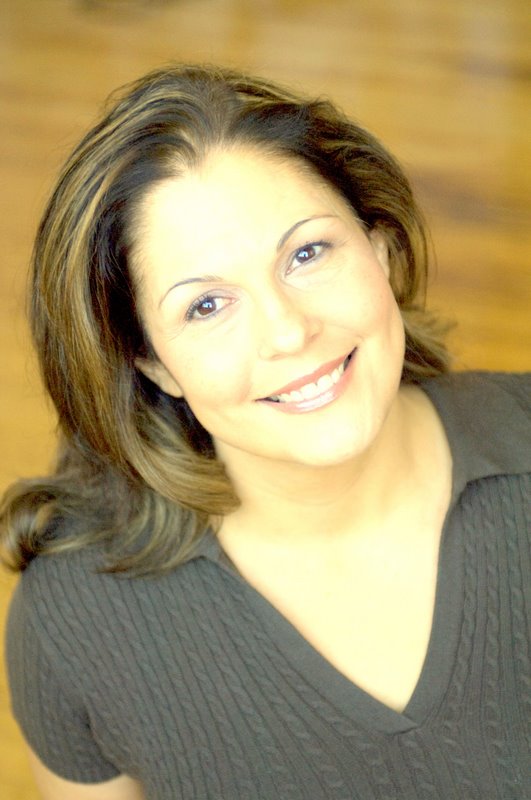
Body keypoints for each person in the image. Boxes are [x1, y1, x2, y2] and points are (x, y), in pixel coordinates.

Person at [1, 64, 529, 800]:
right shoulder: (78, 624)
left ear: (378, 250)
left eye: (307, 254)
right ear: (153, 365)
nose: (288, 332)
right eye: (207, 306)